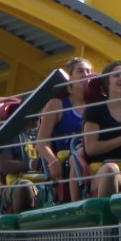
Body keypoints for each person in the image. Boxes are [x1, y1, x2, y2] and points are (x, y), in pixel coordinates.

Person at [37, 57, 93, 202]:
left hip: (92, 153)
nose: (86, 75)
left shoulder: (96, 103)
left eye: (89, 71)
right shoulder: (57, 104)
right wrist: (53, 161)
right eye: (80, 71)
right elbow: (42, 141)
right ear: (70, 78)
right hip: (67, 161)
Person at [82, 61, 121, 198]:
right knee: (111, 170)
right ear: (107, 82)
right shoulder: (94, 110)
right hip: (103, 168)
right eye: (116, 75)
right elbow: (90, 148)